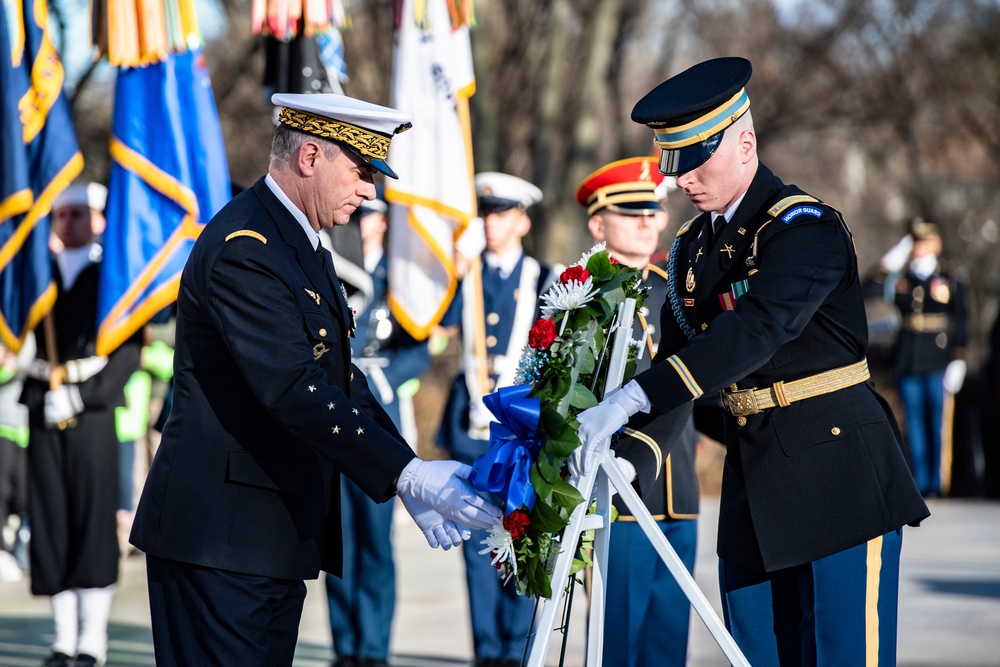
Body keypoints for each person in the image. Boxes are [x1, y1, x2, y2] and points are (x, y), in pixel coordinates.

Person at [570, 57, 930, 666]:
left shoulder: (804, 228)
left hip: (837, 474)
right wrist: (627, 459)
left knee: (844, 655)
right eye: (672, 161)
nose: (680, 178)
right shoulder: (689, 251)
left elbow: (760, 328)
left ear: (745, 142)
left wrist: (634, 394)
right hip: (754, 487)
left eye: (695, 158)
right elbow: (684, 366)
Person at [128, 93, 500, 666]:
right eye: (361, 170)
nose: (371, 190)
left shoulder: (302, 246)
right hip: (219, 540)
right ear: (309, 157)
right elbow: (294, 387)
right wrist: (407, 474)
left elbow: (341, 377)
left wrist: (404, 471)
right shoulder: (246, 248)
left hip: (269, 539)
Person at [574, 157, 700, 667]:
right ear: (598, 224)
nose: (648, 220)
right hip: (619, 497)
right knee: (615, 643)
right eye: (632, 212)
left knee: (667, 647)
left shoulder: (676, 291)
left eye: (654, 209)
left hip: (679, 493)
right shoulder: (580, 297)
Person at [20, 182, 142, 667]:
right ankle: (62, 638)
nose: (67, 223)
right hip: (45, 416)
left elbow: (128, 354)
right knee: (51, 523)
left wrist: (82, 394)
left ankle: (93, 639)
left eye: (77, 215)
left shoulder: (111, 281)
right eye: (61, 215)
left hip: (92, 420)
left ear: (97, 219)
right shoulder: (38, 280)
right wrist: (39, 392)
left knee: (92, 525)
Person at [436, 172, 555, 667]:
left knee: (521, 536)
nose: (490, 223)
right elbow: (437, 325)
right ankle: (486, 650)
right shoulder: (462, 277)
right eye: (485, 214)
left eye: (501, 214)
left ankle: (517, 647)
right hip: (472, 431)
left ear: (523, 222)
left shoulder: (546, 280)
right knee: (476, 544)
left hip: (522, 436)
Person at [324, 191, 431, 667]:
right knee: (339, 539)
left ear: (385, 223)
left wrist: (384, 376)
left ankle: (374, 647)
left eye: (370, 217)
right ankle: (346, 645)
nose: (362, 223)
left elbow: (420, 349)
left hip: (379, 419)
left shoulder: (398, 281)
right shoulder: (332, 267)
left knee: (376, 542)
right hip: (332, 420)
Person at [873, 220, 968, 497]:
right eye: (915, 242)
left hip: (938, 357)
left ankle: (938, 483)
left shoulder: (949, 276)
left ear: (936, 245)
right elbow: (871, 287)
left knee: (937, 421)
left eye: (924, 242)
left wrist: (958, 357)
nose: (919, 248)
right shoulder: (902, 279)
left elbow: (961, 319)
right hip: (908, 358)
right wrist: (892, 260)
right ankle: (920, 481)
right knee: (912, 422)